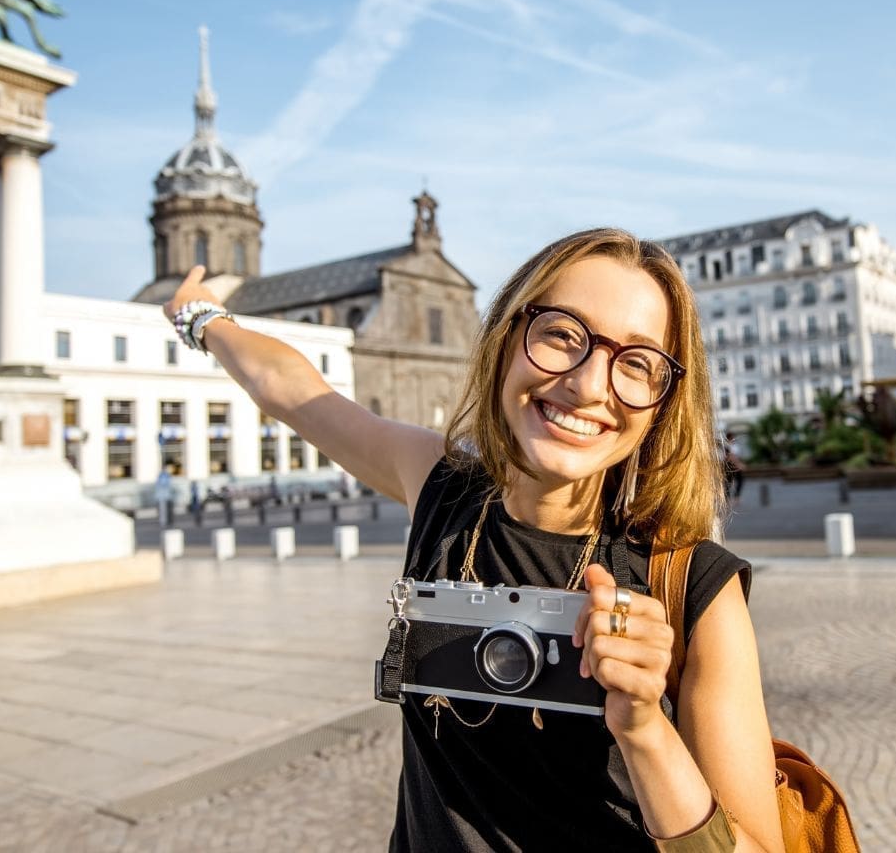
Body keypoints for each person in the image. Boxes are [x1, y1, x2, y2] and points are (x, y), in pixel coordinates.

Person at [165, 229, 780, 851]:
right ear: (507, 339)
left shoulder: (694, 589)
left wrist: (647, 730)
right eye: (563, 334)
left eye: (637, 363)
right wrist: (200, 316)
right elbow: (294, 391)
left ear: (661, 404)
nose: (590, 385)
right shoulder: (443, 492)